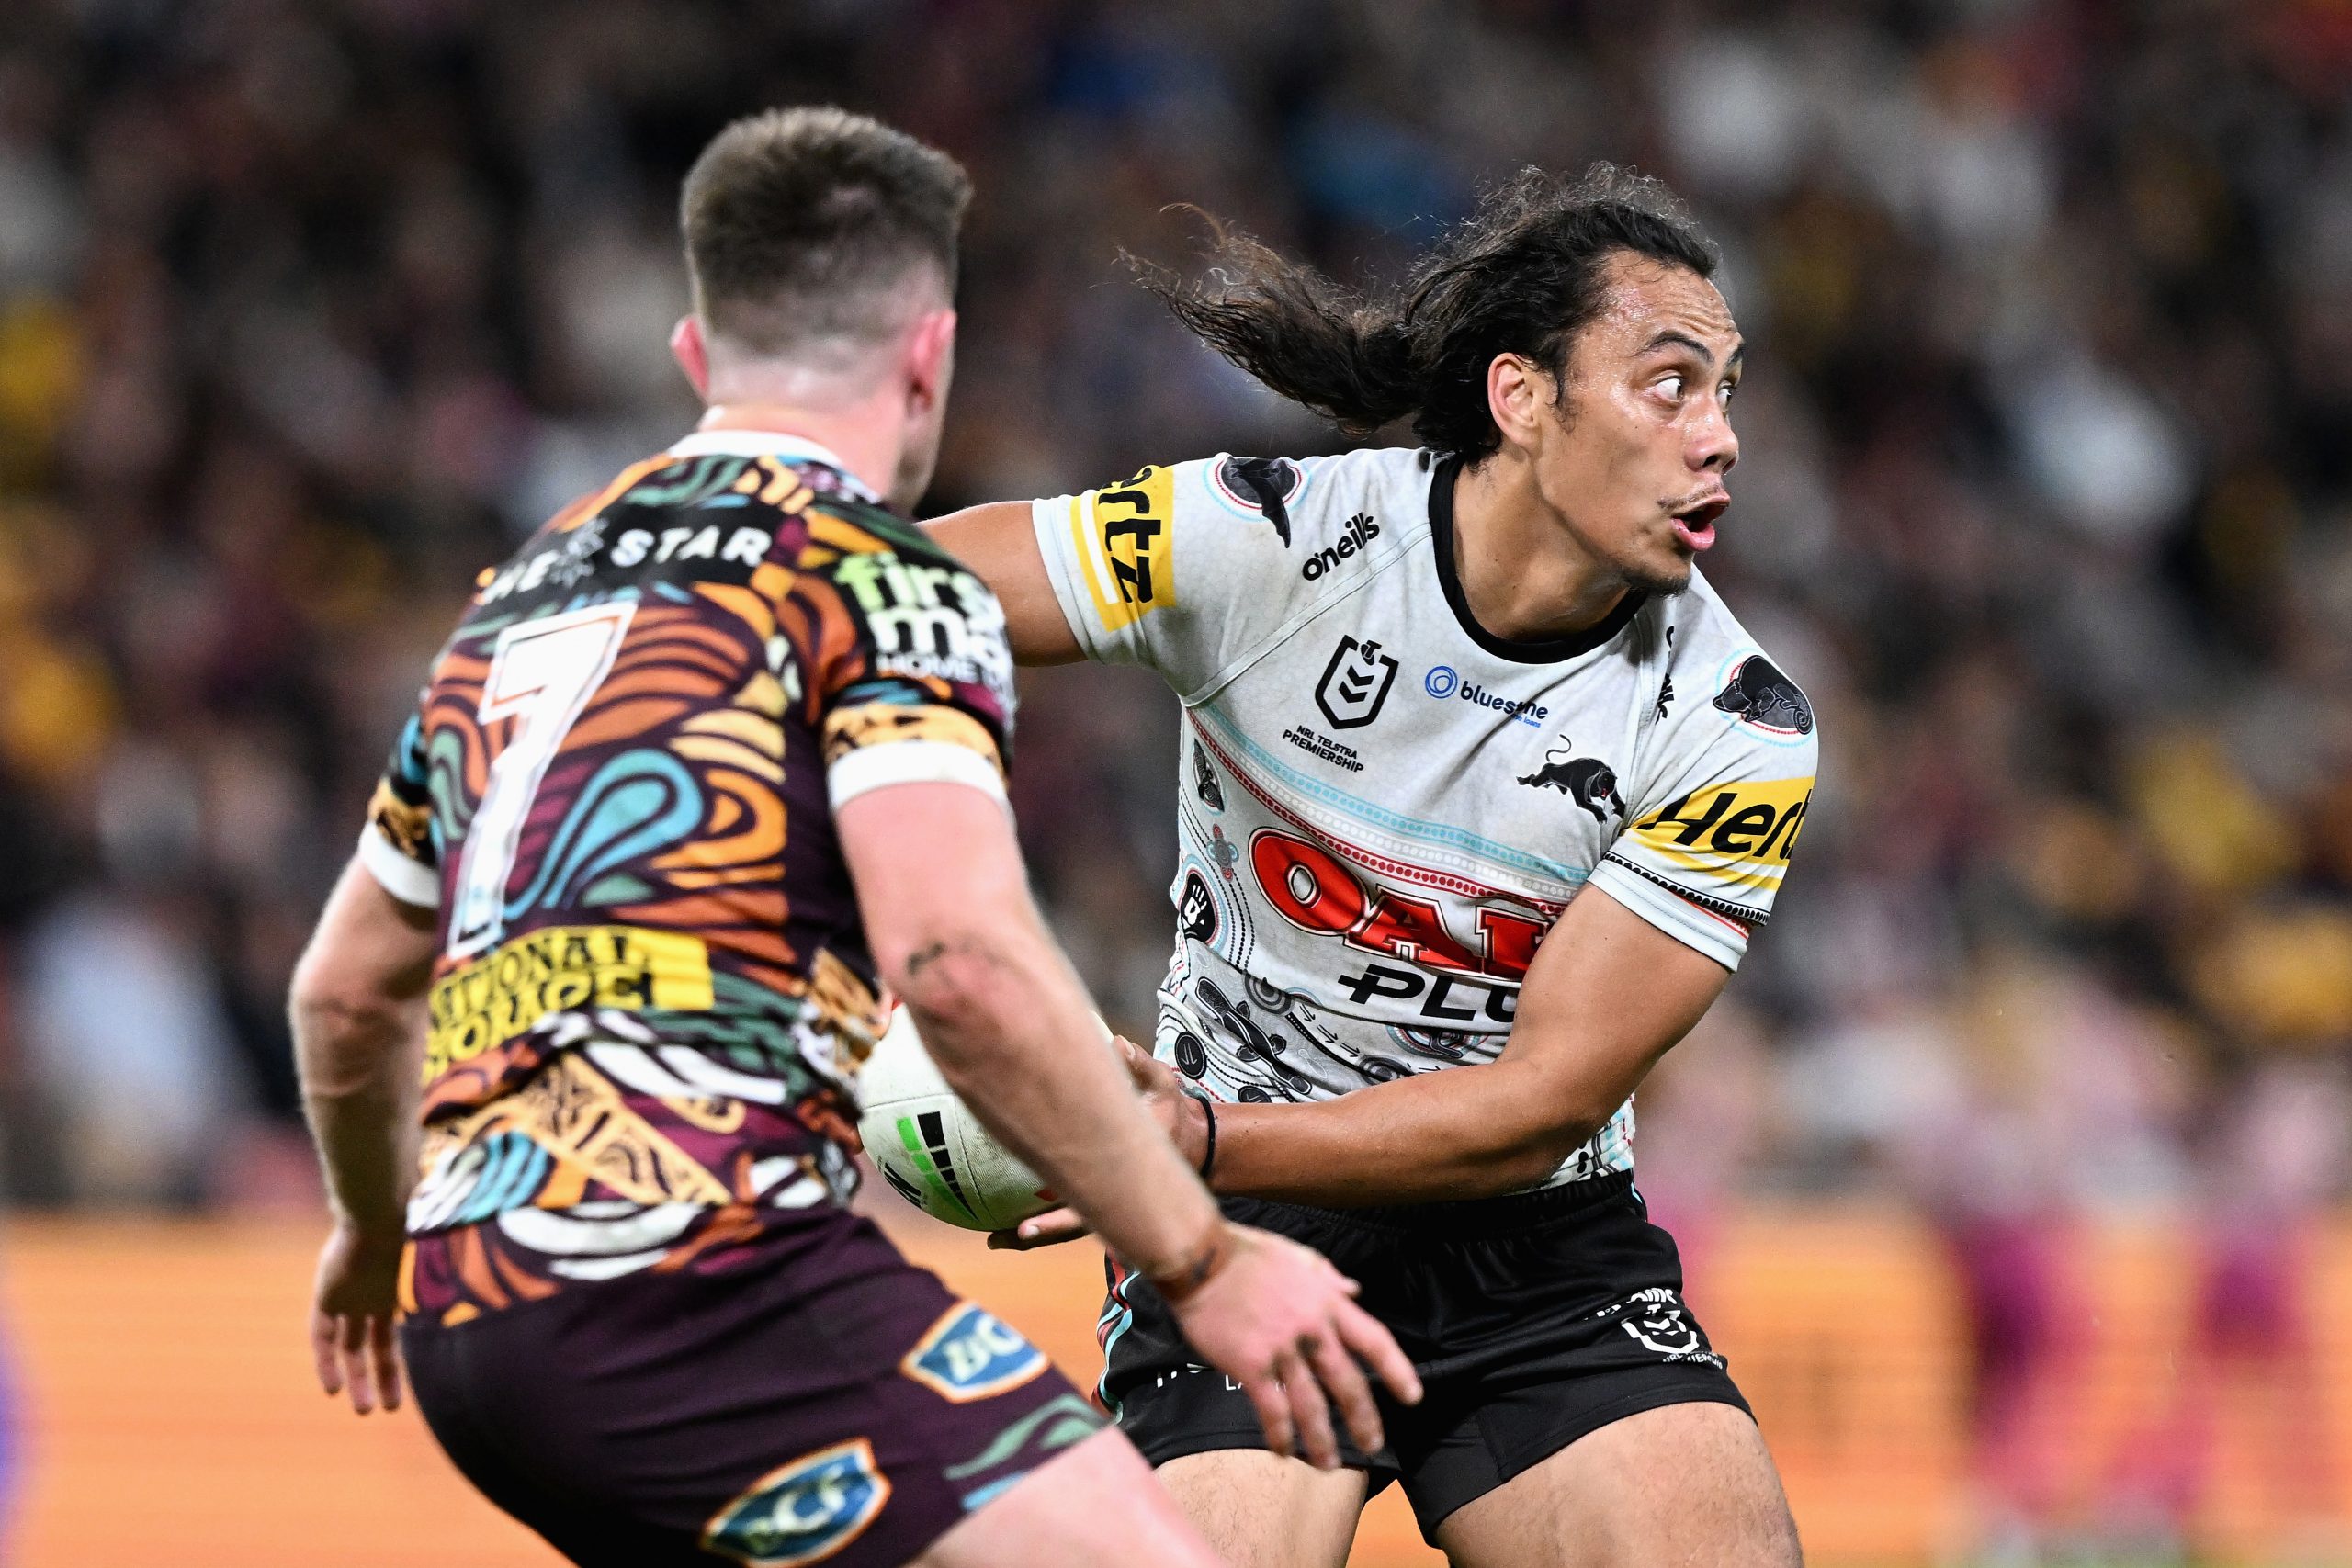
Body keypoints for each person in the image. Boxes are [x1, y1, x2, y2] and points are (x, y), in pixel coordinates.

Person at [288, 105, 1417, 1568]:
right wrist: (1195, 1256)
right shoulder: (879, 582)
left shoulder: (521, 598)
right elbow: (955, 962)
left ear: (698, 358)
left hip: (467, 1312)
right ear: (931, 355)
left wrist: (378, 1235)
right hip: (697, 1284)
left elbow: (347, 992)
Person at [927, 165, 1815, 1568]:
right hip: (1245, 1232)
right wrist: (674, 603)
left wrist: (1187, 1141)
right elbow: (908, 601)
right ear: (1525, 399)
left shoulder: (1734, 724)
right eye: (1670, 385)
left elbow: (1541, 1107)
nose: (1721, 439)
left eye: (1728, 391)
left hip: (1533, 1241)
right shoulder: (1271, 538)